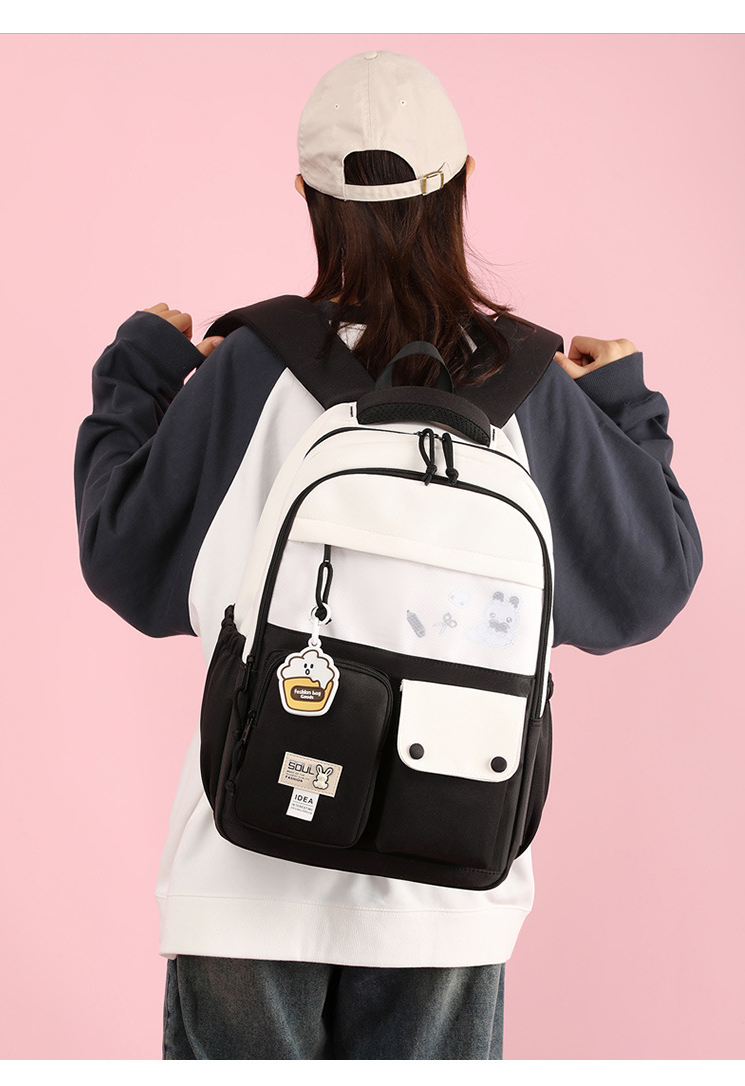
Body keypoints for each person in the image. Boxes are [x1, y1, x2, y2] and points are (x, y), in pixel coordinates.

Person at [74, 50, 702, 1061]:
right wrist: (624, 402)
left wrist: (139, 373)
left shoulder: (250, 372)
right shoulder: (532, 390)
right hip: (447, 886)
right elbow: (650, 581)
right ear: (462, 183)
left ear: (306, 198)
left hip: (244, 873)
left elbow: (123, 555)